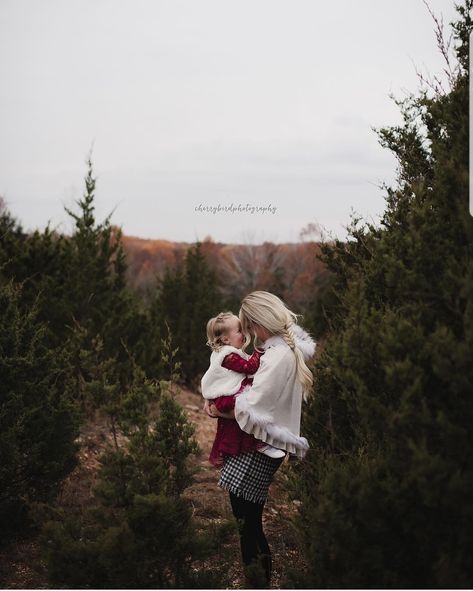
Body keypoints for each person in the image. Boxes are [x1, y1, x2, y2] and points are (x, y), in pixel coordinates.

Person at [204, 291, 316, 587]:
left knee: (248, 525)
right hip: (255, 447)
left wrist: (217, 408)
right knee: (247, 523)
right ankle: (255, 582)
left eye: (250, 327)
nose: (250, 334)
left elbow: (253, 407)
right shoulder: (278, 350)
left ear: (260, 321)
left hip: (256, 448)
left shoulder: (278, 355)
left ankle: (258, 584)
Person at [201, 311, 285, 467]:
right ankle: (263, 444)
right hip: (228, 396)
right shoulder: (227, 356)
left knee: (241, 423)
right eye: (240, 330)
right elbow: (250, 367)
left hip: (229, 393)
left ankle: (263, 443)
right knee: (250, 412)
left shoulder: (228, 353)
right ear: (226, 339)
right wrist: (261, 350)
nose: (245, 332)